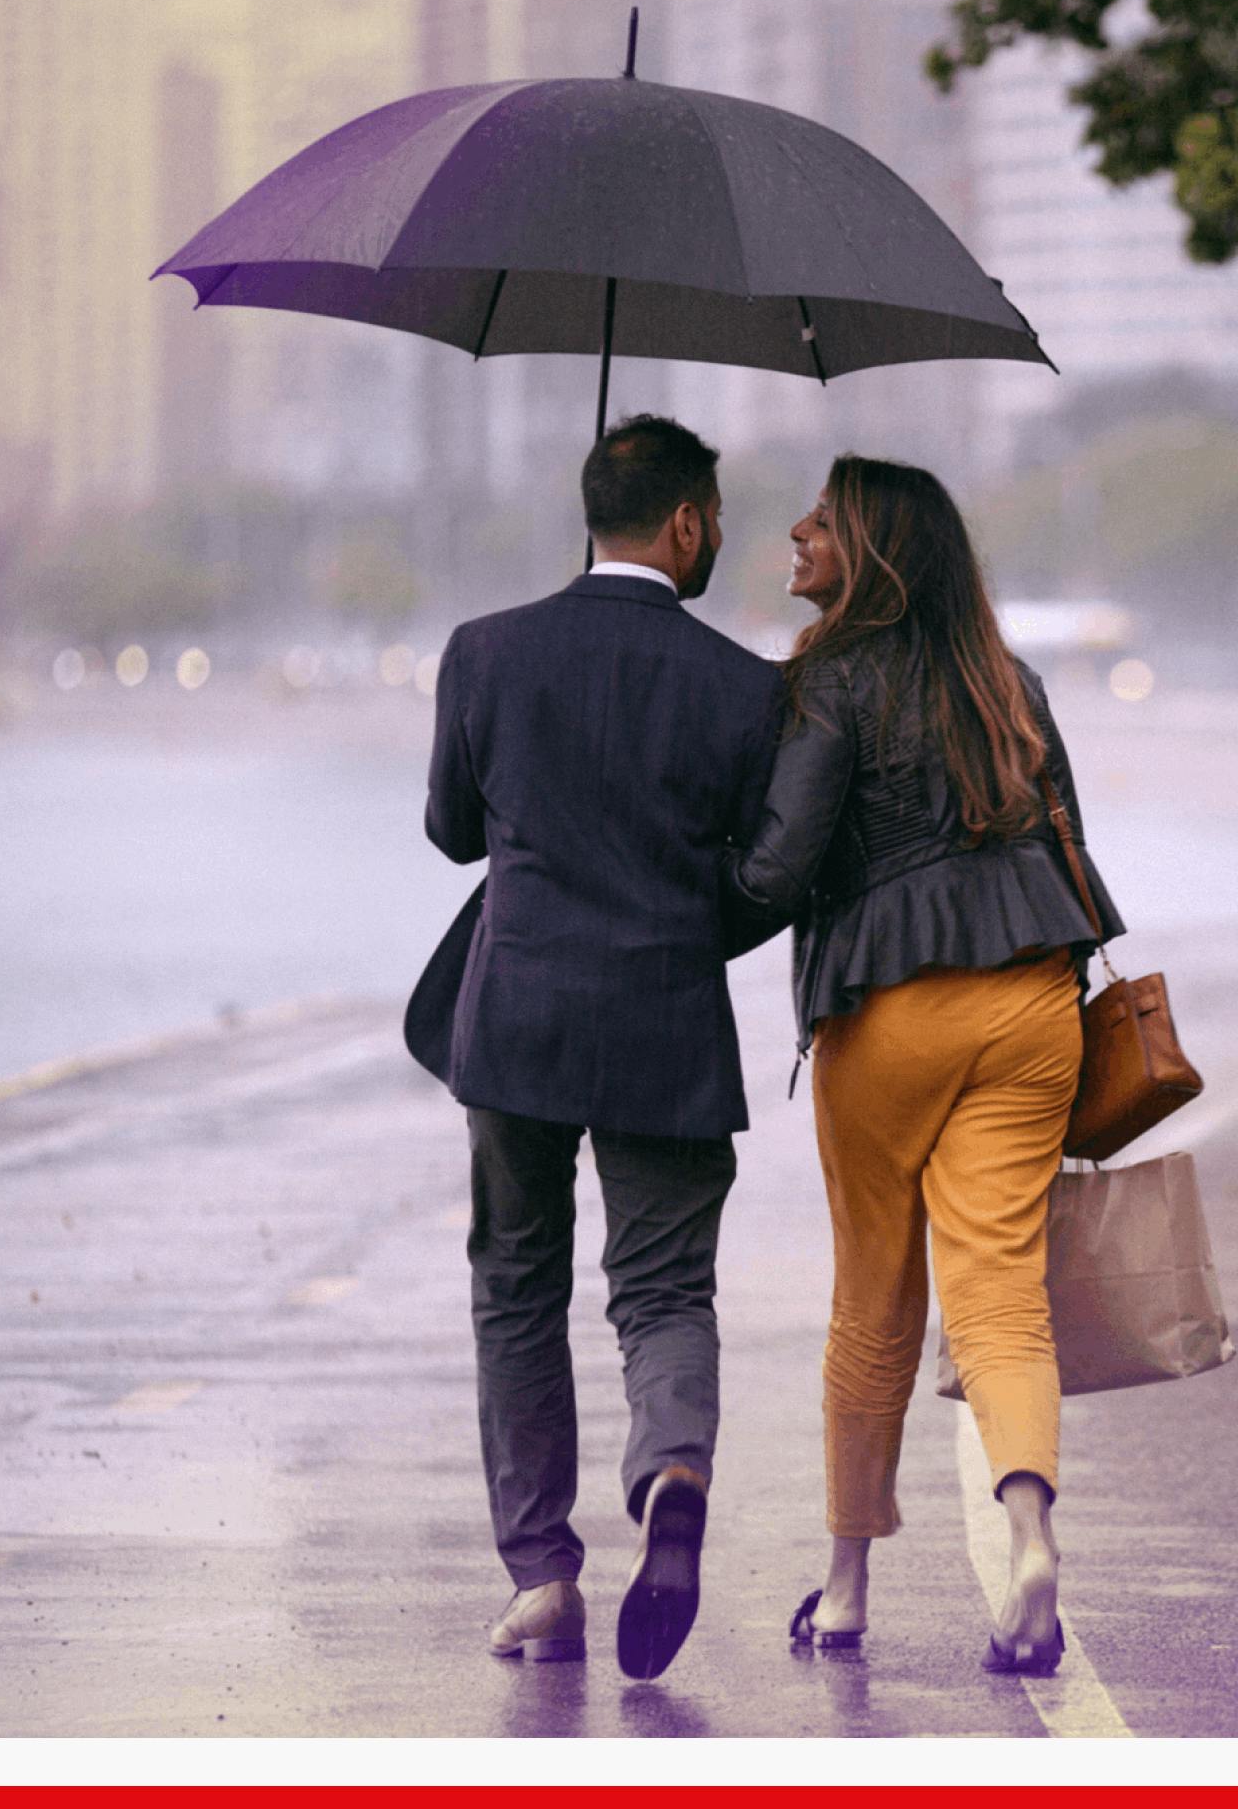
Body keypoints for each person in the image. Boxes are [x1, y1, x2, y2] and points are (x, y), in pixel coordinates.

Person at [723, 455, 1124, 1678]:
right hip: (1033, 999)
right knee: (1000, 1288)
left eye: (822, 522)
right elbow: (1069, 838)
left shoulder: (829, 679)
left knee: (874, 1295)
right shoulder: (1012, 681)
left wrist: (662, 918)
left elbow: (778, 871)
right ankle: (1031, 1540)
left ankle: (845, 1588)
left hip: (889, 1011)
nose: (795, 532)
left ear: (872, 553)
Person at [407, 414, 783, 1681]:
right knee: (663, 1288)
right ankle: (669, 1465)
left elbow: (455, 832)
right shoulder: (746, 686)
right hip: (668, 1020)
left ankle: (541, 1575)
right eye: (716, 517)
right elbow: (762, 871)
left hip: (513, 1021)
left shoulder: (484, 652)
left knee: (517, 1283)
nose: (720, 537)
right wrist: (679, 921)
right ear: (683, 522)